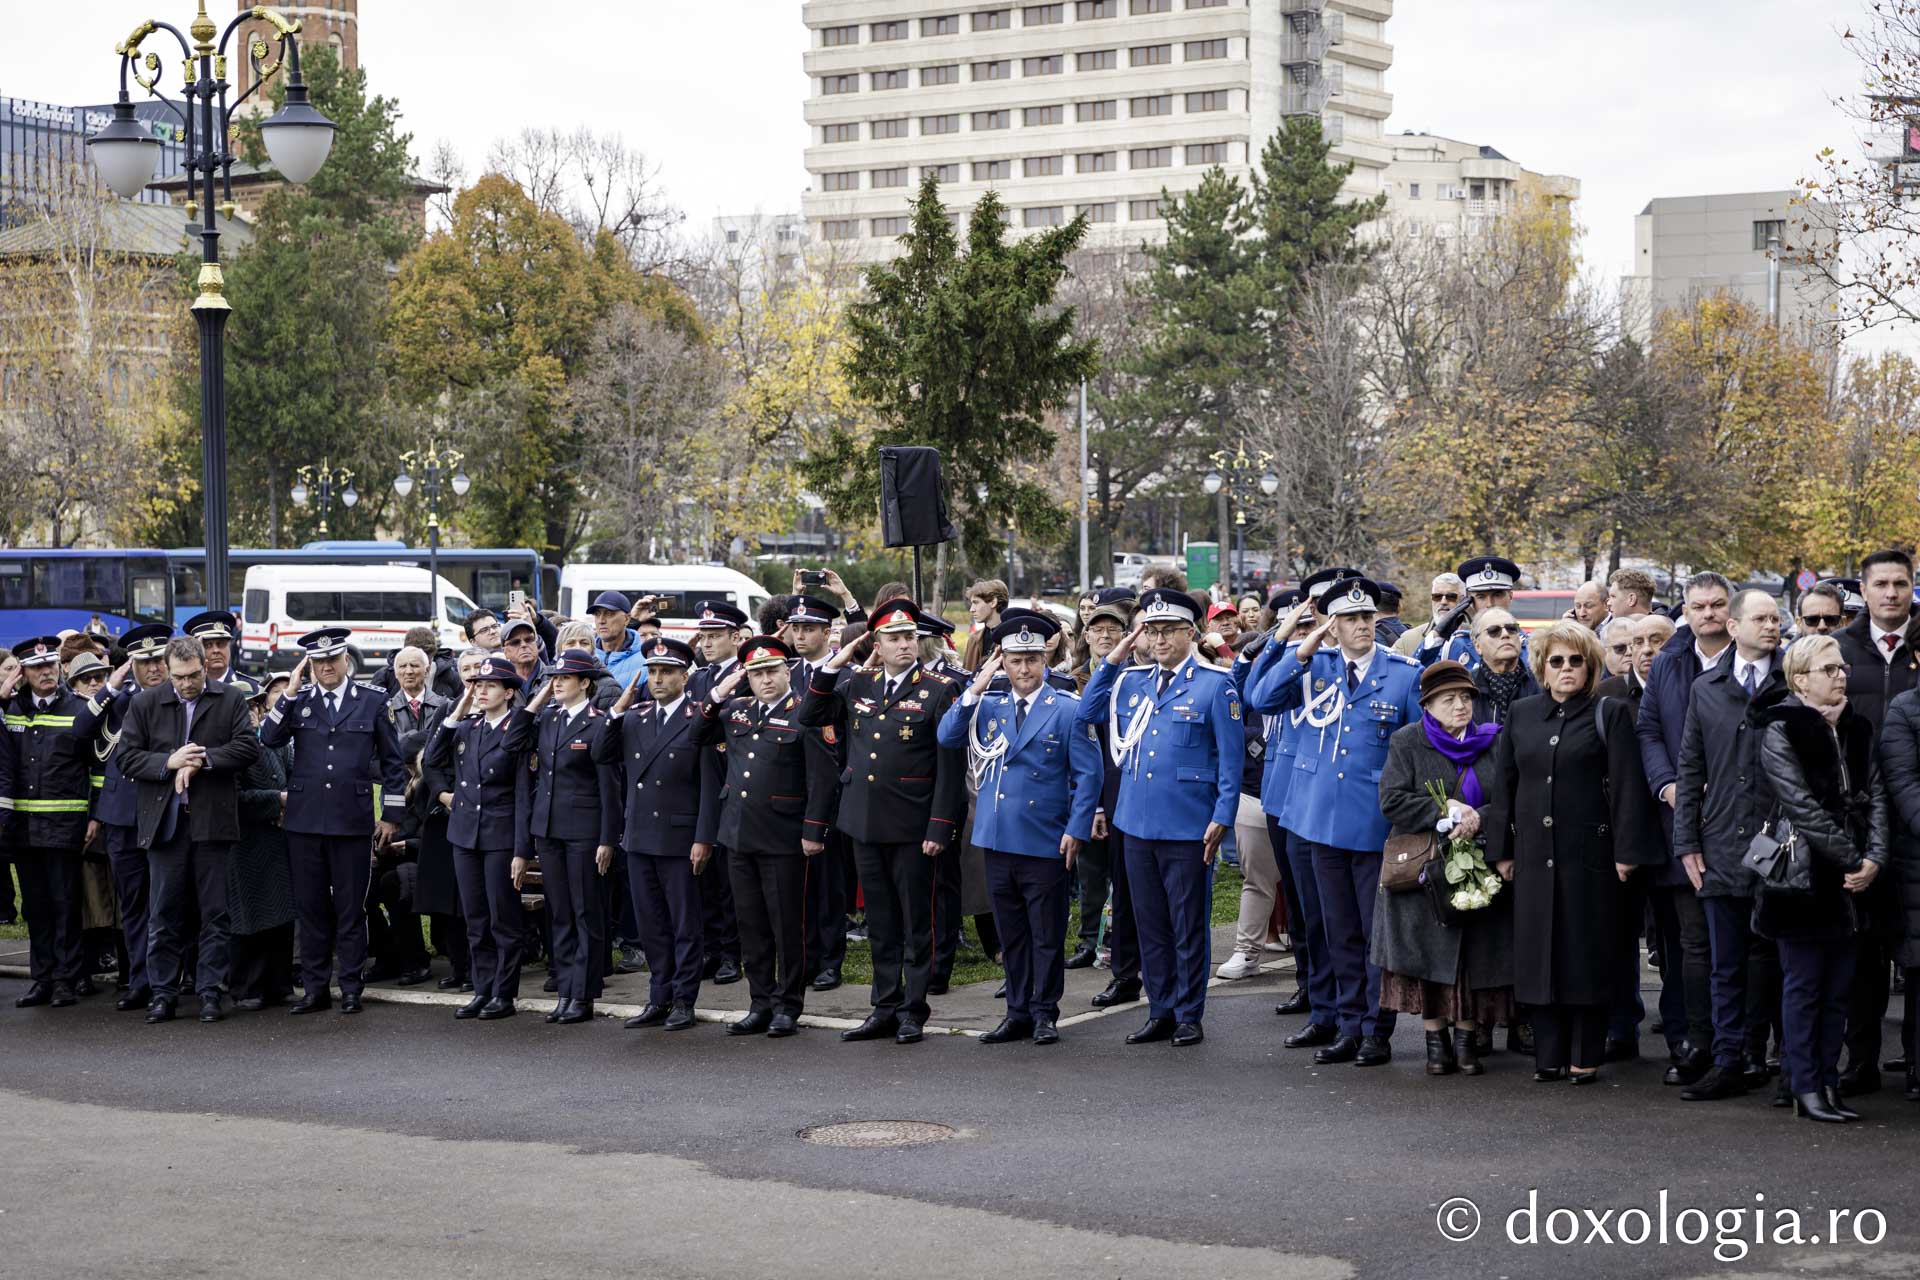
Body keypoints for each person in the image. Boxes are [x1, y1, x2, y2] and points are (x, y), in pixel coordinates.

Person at [1248, 579, 1423, 1064]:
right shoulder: (1312, 668)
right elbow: (1260, 698)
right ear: (1333, 625)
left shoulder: (1404, 674)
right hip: (1317, 821)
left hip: (1372, 822)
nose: (1362, 625)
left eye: (1366, 617)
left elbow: (1415, 752)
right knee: (1334, 929)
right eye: (1349, 619)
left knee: (1372, 933)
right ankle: (1347, 1024)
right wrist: (1301, 647)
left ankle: (1376, 1029)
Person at [1484, 621, 1664, 1083]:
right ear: (1542, 668)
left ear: (1590, 666)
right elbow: (1505, 785)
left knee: (1586, 955)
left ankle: (1585, 1055)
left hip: (1592, 860)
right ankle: (1548, 1055)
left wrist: (1627, 853)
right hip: (1533, 859)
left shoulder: (1610, 712)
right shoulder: (1522, 714)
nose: (1566, 669)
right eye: (1556, 661)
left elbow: (1628, 789)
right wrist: (1500, 851)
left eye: (1576, 661)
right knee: (1539, 955)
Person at [1079, 587, 1243, 1048]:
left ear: (1190, 632)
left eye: (1169, 630)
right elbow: (1088, 712)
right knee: (1149, 922)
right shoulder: (1132, 681)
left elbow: (1229, 761)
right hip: (1135, 820)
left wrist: (1222, 814)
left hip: (1190, 824)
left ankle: (1189, 1012)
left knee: (1187, 924)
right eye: (1152, 630)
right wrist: (1118, 654)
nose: (1161, 638)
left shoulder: (1214, 684)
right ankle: (1161, 1008)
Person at [800, 598, 965, 1045]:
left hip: (913, 825)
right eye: (893, 638)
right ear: (876, 643)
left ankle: (913, 1010)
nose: (904, 644)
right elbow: (809, 715)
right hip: (865, 822)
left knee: (916, 921)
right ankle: (884, 1006)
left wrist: (940, 825)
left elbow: (948, 768)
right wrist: (839, 661)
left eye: (910, 636)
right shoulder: (858, 684)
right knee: (881, 921)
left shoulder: (937, 688)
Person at [939, 617, 1100, 1045]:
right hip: (997, 837)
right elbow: (946, 735)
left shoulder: (1068, 708)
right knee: (1011, 932)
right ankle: (1017, 1011)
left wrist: (1077, 828)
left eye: (1032, 660)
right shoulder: (987, 704)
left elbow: (1089, 776)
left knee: (1046, 933)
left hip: (1046, 837)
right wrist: (976, 684)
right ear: (1003, 663)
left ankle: (1045, 1011)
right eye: (1015, 661)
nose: (1024, 669)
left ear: (1045, 660)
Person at [1754, 634, 1889, 1122]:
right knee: (1804, 987)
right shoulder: (1781, 727)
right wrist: (1854, 860)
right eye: (1829, 669)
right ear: (1800, 679)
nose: (1840, 676)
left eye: (1842, 668)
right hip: (1803, 880)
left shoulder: (1857, 726)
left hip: (1853, 884)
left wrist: (1875, 857)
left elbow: (1875, 795)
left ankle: (1828, 1084)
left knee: (1839, 990)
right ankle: (1804, 1086)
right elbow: (1801, 807)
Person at [1672, 588, 1788, 1101]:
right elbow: (1690, 765)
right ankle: (1727, 1058)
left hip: (1780, 843)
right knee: (1725, 961)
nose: (1771, 626)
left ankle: (1762, 1056)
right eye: (1760, 618)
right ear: (1735, 627)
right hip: (1720, 840)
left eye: (1776, 618)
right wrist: (1686, 841)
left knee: (1772, 958)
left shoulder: (1791, 682)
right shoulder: (1706, 687)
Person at [1375, 660, 1516, 1075]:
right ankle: (1435, 1041)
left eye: (1466, 698)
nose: (1460, 706)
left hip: (1479, 869)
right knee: (1426, 958)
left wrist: (1478, 817)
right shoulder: (1408, 741)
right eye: (1449, 699)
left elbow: (1510, 798)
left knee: (1475, 958)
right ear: (1428, 705)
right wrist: (1445, 809)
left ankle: (1467, 1039)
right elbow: (1392, 800)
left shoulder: (1493, 741)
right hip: (1425, 871)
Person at [696, 635, 839, 1036]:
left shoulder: (804, 715)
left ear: (787, 671)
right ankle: (759, 1001)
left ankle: (787, 1005)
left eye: (772, 671)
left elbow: (822, 779)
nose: (765, 680)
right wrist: (720, 691)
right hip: (739, 835)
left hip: (784, 838)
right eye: (757, 673)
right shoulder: (736, 710)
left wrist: (813, 831)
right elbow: (697, 733)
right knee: (751, 925)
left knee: (786, 925)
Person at [259, 626, 406, 1016]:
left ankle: (352, 986)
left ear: (346, 660)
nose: (326, 666)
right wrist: (288, 692)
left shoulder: (373, 701)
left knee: (350, 908)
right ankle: (315, 988)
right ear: (311, 665)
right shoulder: (299, 700)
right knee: (310, 910)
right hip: (304, 823)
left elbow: (393, 764)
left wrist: (391, 816)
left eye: (332, 659)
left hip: (352, 821)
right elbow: (268, 738)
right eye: (318, 661)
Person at [116, 635, 261, 1024]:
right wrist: (169, 761)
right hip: (165, 825)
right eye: (178, 677)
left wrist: (202, 759)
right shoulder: (146, 703)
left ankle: (210, 991)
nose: (186, 684)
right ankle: (163, 993)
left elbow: (248, 747)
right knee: (163, 912)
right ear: (167, 670)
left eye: (193, 676)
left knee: (214, 913)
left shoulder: (228, 698)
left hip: (212, 823)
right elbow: (126, 757)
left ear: (203, 666)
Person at [1635, 571, 1733, 1086]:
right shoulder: (1670, 663)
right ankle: (1701, 1042)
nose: (1709, 614)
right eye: (1699, 606)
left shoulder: (1755, 662)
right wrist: (1666, 785)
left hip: (1741, 822)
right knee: (1693, 943)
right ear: (1686, 613)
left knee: (1743, 942)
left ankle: (1744, 1046)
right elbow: (1649, 729)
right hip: (1683, 820)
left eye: (1718, 605)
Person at [595, 637, 721, 1032]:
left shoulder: (698, 717)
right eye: (652, 672)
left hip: (680, 837)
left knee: (684, 923)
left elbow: (709, 783)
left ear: (685, 675)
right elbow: (600, 752)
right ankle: (658, 995)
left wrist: (704, 837)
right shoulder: (634, 718)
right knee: (651, 924)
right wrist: (618, 709)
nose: (658, 679)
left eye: (667, 671)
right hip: (640, 836)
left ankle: (684, 999)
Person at [1833, 549, 1916, 1096]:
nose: (1890, 593)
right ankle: (1859, 1061)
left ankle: (1914, 1065)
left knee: (1915, 955)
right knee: (1860, 958)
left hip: (1914, 828)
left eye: (1900, 583)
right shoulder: (1838, 649)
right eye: (1880, 584)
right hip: (1856, 820)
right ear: (1863, 591)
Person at [509, 649, 622, 1025]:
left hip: (585, 831)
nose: (556, 683)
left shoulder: (598, 723)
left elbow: (610, 786)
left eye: (564, 679)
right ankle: (566, 989)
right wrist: (537, 700)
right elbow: (513, 740)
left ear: (585, 683)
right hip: (549, 828)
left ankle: (584, 994)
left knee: (584, 910)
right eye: (553, 678)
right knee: (559, 912)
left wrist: (608, 838)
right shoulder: (548, 719)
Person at [71, 622, 172, 1011]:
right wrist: (110, 687)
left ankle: (168, 978)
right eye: (143, 662)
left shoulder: (176, 698)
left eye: (157, 660)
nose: (153, 668)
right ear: (131, 665)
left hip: (164, 812)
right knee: (132, 904)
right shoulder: (117, 698)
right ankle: (139, 980)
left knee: (166, 902)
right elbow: (80, 732)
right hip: (122, 815)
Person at [426, 656, 529, 1021]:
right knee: (475, 917)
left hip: (499, 834)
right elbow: (432, 759)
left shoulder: (517, 728)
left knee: (503, 917)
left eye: (489, 686)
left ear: (508, 691)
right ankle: (482, 987)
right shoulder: (468, 727)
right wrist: (459, 708)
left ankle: (504, 992)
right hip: (465, 833)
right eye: (477, 685)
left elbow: (521, 791)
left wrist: (521, 849)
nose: (481, 691)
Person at [8, 636, 95, 1010]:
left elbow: (98, 767)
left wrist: (97, 816)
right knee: (36, 907)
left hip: (64, 826)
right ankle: (41, 978)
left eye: (51, 666)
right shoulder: (10, 709)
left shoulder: (79, 709)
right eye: (37, 668)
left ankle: (66, 979)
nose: (46, 673)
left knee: (65, 904)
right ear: (23, 673)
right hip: (24, 829)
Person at [780, 593, 851, 990]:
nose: (801, 635)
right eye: (796, 628)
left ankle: (830, 958)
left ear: (828, 632)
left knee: (828, 884)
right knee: (795, 884)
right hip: (787, 792)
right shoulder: (784, 673)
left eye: (809, 629)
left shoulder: (845, 675)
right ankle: (803, 955)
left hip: (829, 792)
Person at [1070, 597, 1138, 986]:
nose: (1105, 635)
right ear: (1086, 635)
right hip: (1086, 787)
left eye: (1113, 629)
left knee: (1125, 872)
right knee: (1091, 869)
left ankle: (1120, 943)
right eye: (1098, 629)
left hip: (1123, 784)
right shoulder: (1071, 677)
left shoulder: (1134, 675)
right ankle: (1087, 940)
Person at [687, 600, 749, 985]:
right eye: (704, 637)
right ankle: (711, 948)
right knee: (704, 878)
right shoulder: (696, 679)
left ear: (734, 637)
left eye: (715, 636)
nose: (707, 644)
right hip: (698, 784)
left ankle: (731, 953)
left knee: (729, 881)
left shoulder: (744, 677)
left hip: (732, 781)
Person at [230, 677, 297, 1009]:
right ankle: (250, 988)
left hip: (278, 838)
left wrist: (290, 804)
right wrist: (278, 800)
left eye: (255, 705)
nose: (252, 712)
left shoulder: (276, 743)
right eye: (244, 707)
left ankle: (280, 984)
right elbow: (234, 798)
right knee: (251, 917)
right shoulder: (229, 749)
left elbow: (295, 776)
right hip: (246, 843)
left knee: (283, 916)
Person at [1419, 556, 1524, 671]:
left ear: (1510, 596)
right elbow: (1418, 676)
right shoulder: (1455, 646)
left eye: (1497, 595)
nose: (1489, 604)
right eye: (1481, 597)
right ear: (1470, 601)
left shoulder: (1530, 646)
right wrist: (1437, 635)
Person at [1466, 609, 1538, 727]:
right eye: (1494, 631)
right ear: (1478, 646)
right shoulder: (1465, 687)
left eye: (1511, 628)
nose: (1505, 634)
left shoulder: (1542, 683)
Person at [1393, 573, 1466, 657]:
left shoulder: (1475, 637)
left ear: (1462, 600)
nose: (1443, 602)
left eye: (1451, 597)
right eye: (1437, 597)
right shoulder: (1409, 639)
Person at [386, 646, 449, 742]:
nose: (408, 672)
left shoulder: (445, 706)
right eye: (402, 666)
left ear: (427, 671)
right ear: (395, 673)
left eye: (414, 666)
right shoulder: (384, 710)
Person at [961, 579, 1009, 672]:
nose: (971, 609)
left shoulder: (1012, 639)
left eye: (976, 602)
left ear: (993, 602)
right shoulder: (974, 639)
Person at [182, 610, 238, 684]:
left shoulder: (249, 688)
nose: (216, 650)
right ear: (196, 650)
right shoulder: (187, 688)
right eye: (208, 645)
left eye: (220, 644)